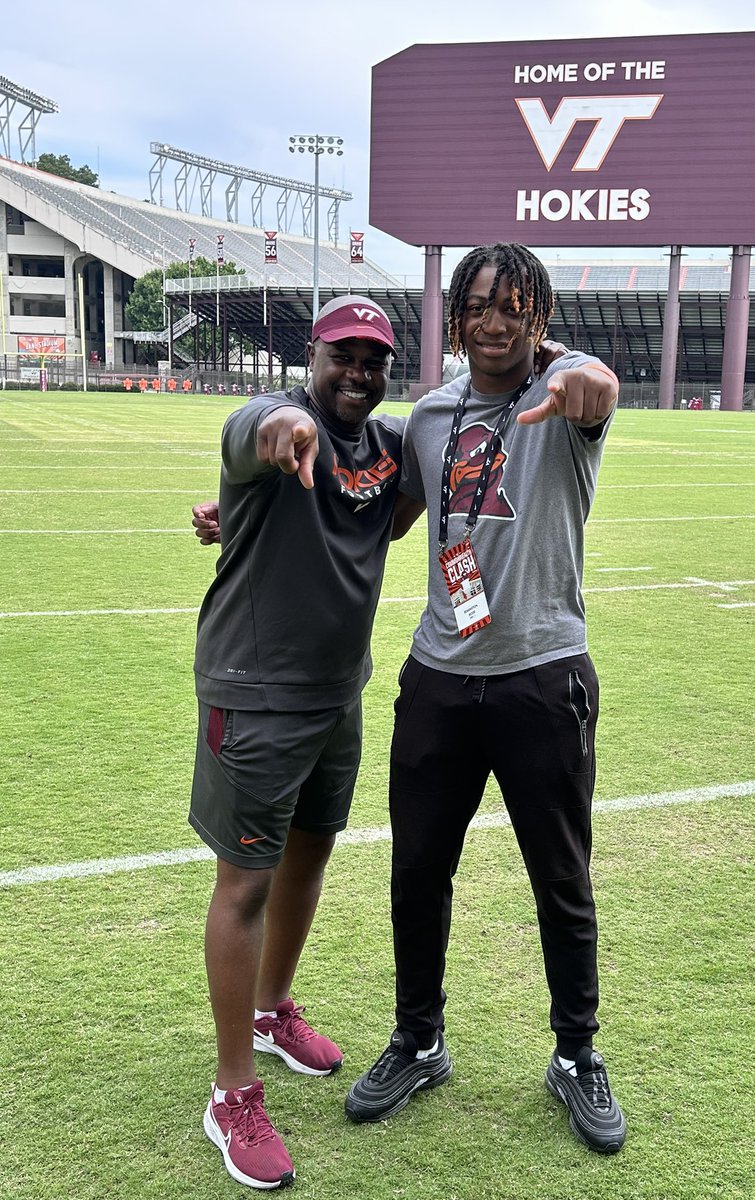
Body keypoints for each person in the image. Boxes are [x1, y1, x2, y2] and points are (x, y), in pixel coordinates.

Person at [342, 244, 626, 1155]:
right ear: (456, 316)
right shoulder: (430, 414)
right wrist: (257, 511)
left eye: (514, 305)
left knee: (561, 879)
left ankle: (576, 1054)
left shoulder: (563, 395)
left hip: (543, 675)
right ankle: (419, 1038)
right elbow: (380, 512)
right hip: (438, 677)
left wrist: (585, 373)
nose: (495, 321)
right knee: (417, 872)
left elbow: (596, 384)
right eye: (478, 305)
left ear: (537, 315)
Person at [190, 295, 411, 1190]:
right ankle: (231, 1091)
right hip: (254, 695)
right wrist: (281, 429)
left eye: (373, 359)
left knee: (308, 861)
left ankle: (273, 1012)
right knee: (244, 882)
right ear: (311, 358)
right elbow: (258, 427)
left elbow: (388, 518)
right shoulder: (272, 422)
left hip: (337, 691)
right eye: (341, 356)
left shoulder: (394, 448)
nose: (356, 371)